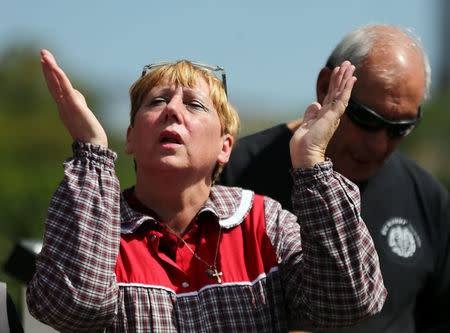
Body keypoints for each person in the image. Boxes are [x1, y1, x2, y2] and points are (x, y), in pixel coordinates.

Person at [25, 49, 386, 332]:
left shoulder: (263, 221)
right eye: (156, 101)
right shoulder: (99, 229)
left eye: (194, 104)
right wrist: (92, 151)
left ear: (224, 147)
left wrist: (311, 163)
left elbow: (349, 303)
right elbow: (73, 310)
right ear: (131, 138)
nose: (172, 111)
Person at [219, 25, 450, 332]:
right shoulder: (235, 176)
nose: (379, 145)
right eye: (367, 119)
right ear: (326, 86)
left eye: (400, 128)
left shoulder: (427, 197)